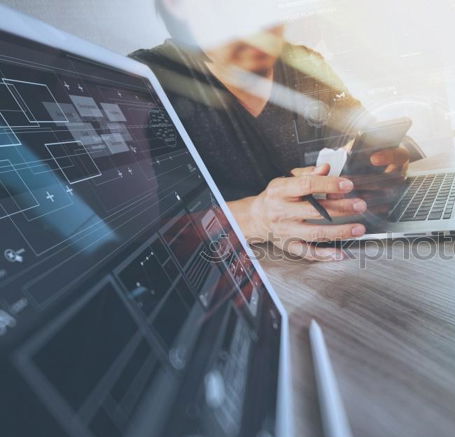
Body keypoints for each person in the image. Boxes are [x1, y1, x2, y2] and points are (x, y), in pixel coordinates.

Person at [131, 0, 415, 260]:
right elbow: (134, 236)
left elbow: (362, 133)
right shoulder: (137, 82)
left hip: (347, 260)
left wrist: (389, 157)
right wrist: (253, 218)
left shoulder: (306, 64)